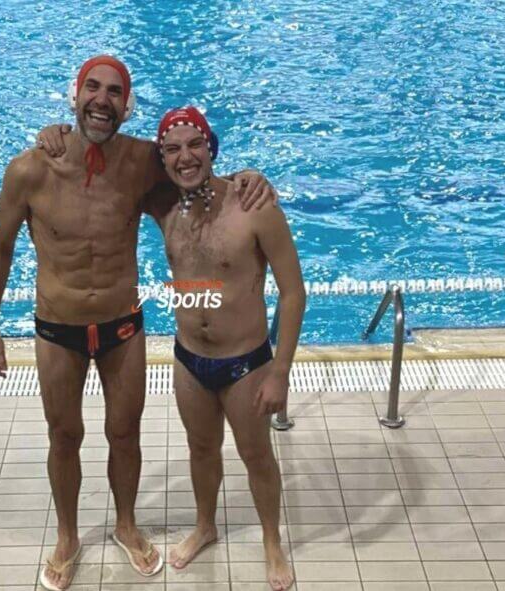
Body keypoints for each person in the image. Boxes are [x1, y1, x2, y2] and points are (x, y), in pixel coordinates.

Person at [0, 55, 277, 591]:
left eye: (114, 92)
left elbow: (196, 176)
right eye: (92, 88)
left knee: (125, 433)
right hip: (58, 328)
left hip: (122, 325)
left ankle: (126, 525)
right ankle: (67, 537)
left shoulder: (142, 161)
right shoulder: (30, 169)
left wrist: (246, 178)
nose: (102, 100)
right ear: (74, 96)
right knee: (63, 435)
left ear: (127, 105)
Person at [147, 107, 304, 590]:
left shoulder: (254, 205)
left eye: (195, 144)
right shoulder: (162, 205)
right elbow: (110, 164)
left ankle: (272, 541)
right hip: (189, 358)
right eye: (173, 149)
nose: (185, 157)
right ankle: (205, 525)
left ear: (211, 148)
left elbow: (293, 292)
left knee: (256, 454)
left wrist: (280, 371)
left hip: (246, 363)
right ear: (162, 159)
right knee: (201, 449)